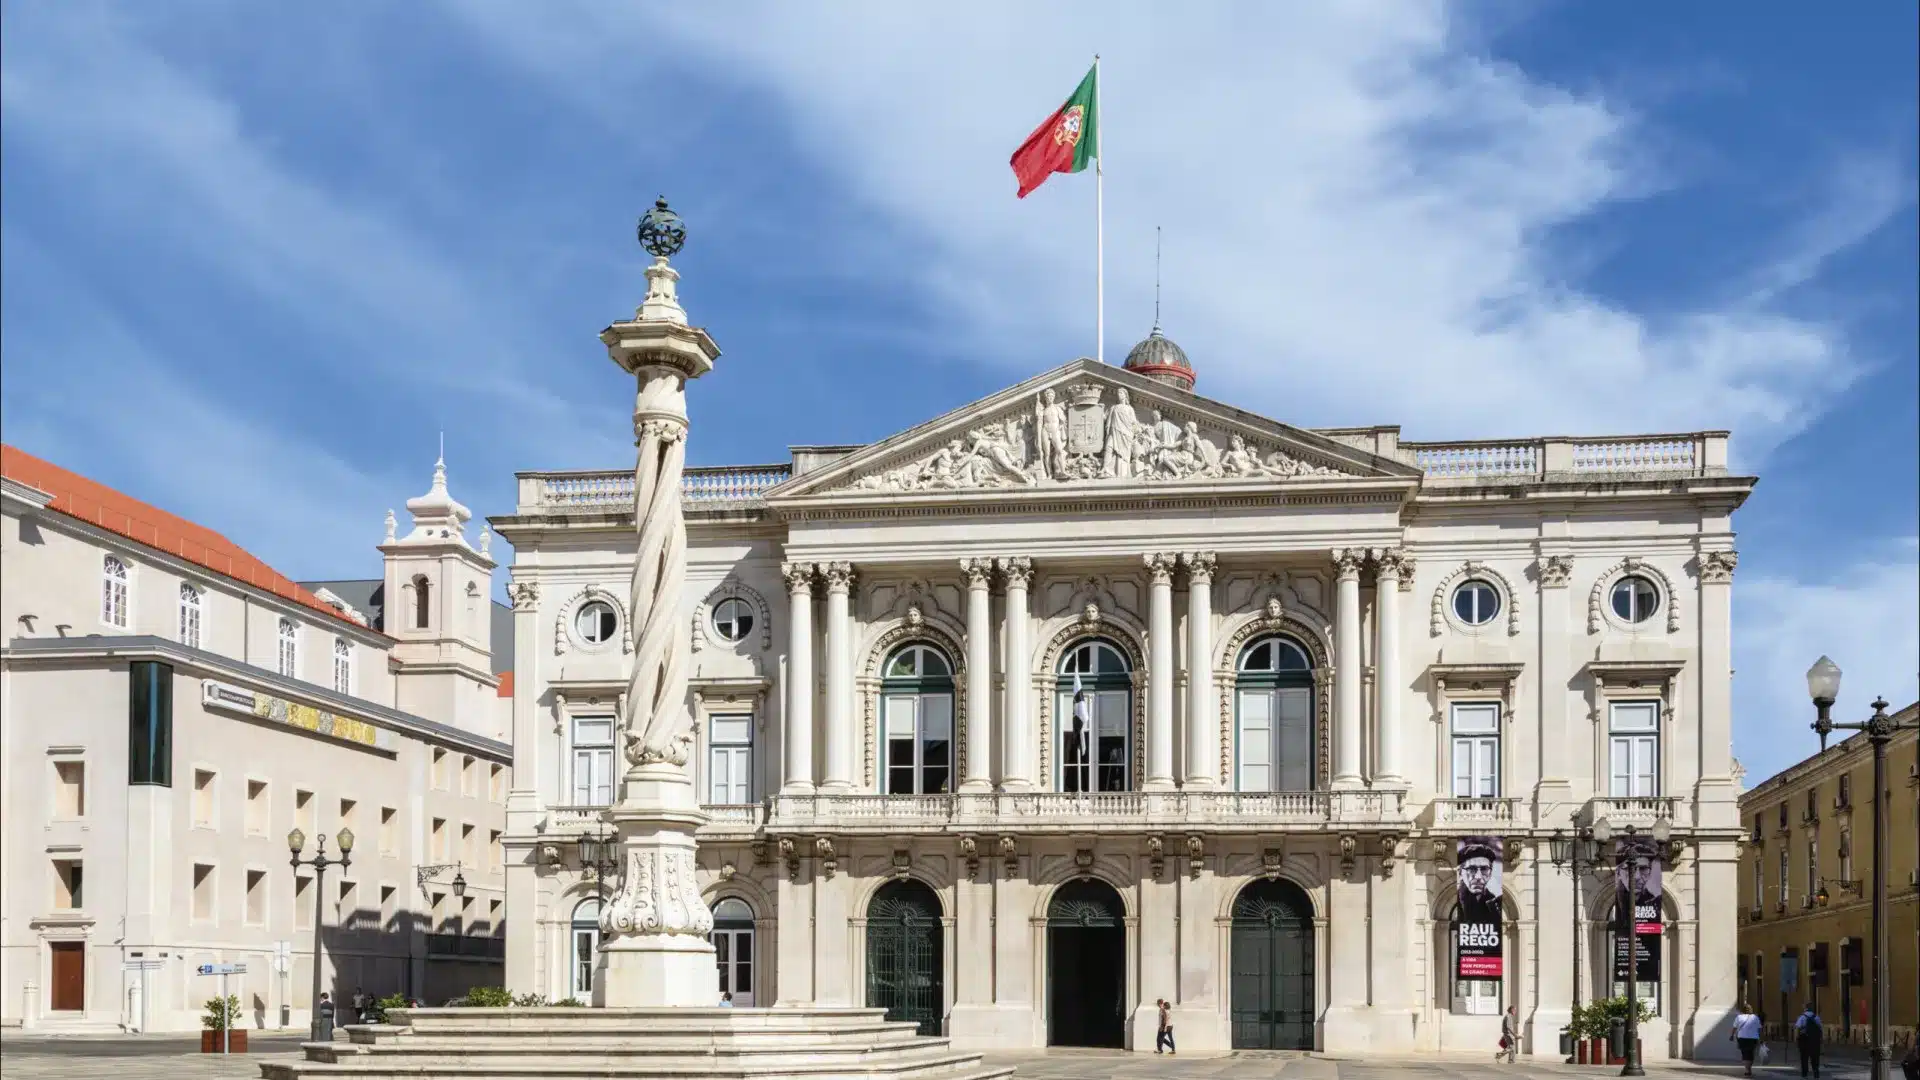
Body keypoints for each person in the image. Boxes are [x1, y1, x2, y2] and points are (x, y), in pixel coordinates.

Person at [1731, 1002, 1763, 1077]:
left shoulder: (1739, 1017)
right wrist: (1762, 1038)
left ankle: (1747, 1070)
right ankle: (1749, 1069)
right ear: (1751, 1010)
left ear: (1743, 1010)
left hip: (1742, 1037)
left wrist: (1732, 1035)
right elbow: (1759, 1029)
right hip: (1753, 1038)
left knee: (1745, 1053)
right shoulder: (1755, 1017)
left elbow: (1734, 1027)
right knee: (1751, 1054)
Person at [1794, 1002, 1823, 1078]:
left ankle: (1804, 1074)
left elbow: (1797, 1029)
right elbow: (1820, 1029)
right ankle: (1816, 1073)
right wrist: (1821, 1040)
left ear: (1805, 1008)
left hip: (1804, 1040)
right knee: (1815, 1058)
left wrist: (1796, 1039)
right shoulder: (1816, 1017)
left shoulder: (1802, 1017)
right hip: (1815, 1041)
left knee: (1804, 1058)